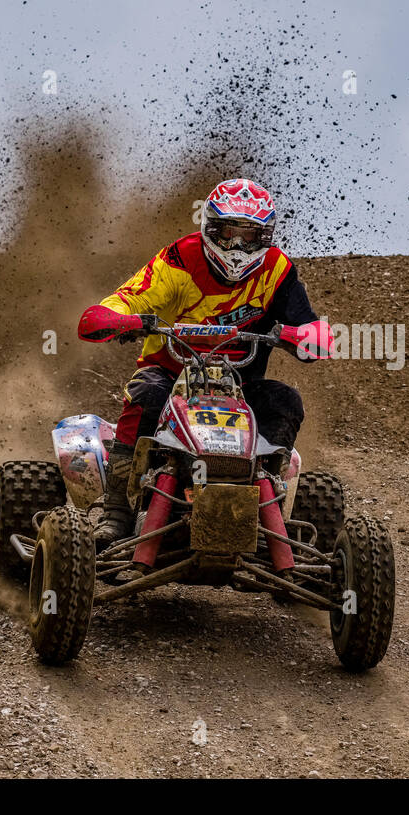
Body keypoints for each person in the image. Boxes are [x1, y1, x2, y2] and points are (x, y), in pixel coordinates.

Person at [77, 178, 330, 546]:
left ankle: (267, 504)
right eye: (229, 233)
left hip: (239, 387)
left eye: (250, 235)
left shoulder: (276, 270)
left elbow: (311, 327)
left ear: (266, 236)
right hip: (170, 375)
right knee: (144, 391)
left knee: (285, 401)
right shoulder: (178, 261)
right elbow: (123, 301)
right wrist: (115, 318)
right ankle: (116, 509)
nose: (238, 246)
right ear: (210, 228)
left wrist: (307, 337)